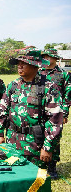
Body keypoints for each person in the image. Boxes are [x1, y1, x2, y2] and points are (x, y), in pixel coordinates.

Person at [0, 49, 63, 170]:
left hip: (35, 145)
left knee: (35, 182)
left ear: (35, 65)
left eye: (24, 63)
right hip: (12, 143)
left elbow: (55, 120)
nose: (20, 66)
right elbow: (2, 110)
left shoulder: (48, 87)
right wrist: (0, 134)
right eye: (18, 63)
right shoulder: (13, 85)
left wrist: (47, 147)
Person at [39, 48, 71, 178]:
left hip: (56, 112)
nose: (45, 59)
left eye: (48, 57)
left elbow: (68, 95)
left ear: (55, 58)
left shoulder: (63, 74)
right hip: (40, 110)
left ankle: (52, 168)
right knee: (40, 135)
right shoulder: (39, 72)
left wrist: (64, 113)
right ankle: (40, 165)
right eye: (44, 56)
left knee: (54, 137)